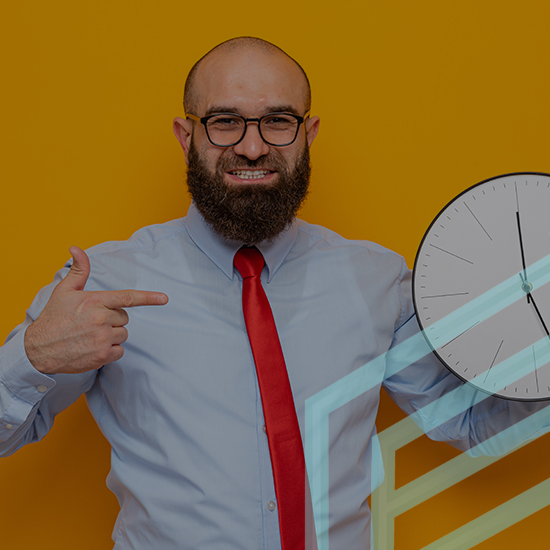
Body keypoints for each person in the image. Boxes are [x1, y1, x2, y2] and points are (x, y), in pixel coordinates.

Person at [0, 37, 547, 550]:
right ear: (186, 135)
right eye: (225, 121)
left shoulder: (378, 280)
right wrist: (30, 358)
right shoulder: (101, 284)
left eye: (278, 121)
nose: (253, 146)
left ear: (308, 134)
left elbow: (472, 422)